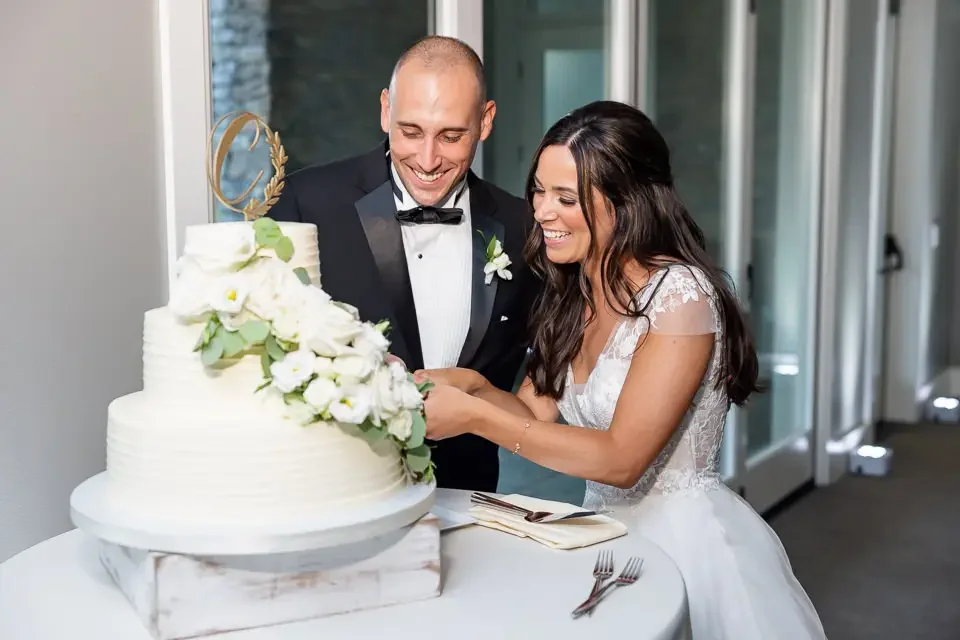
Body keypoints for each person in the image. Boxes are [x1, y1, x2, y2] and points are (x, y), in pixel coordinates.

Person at [417, 101, 826, 639]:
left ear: (627, 203)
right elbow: (532, 410)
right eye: (540, 190)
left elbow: (622, 460)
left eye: (566, 198)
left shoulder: (679, 296)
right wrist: (465, 384)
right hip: (605, 534)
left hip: (684, 543)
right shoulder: (576, 289)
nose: (540, 212)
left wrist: (473, 416)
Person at [267, 35, 539, 492]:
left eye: (451, 136)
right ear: (385, 109)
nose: (428, 159)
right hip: (337, 492)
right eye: (410, 131)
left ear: (486, 121)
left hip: (468, 498)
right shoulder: (306, 202)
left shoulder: (522, 227)